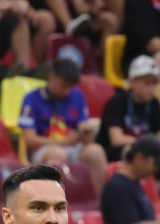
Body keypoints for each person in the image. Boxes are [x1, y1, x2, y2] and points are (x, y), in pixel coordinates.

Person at [19, 58, 108, 191]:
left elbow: (84, 135)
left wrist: (87, 135)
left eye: (71, 87)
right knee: (58, 155)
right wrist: (64, 142)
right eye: (64, 85)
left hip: (73, 146)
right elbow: (30, 140)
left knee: (96, 151)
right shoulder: (31, 98)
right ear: (52, 77)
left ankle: (99, 201)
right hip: (44, 149)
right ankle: (60, 201)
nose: (67, 91)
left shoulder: (77, 96)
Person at [98, 55, 160, 165]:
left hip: (148, 152)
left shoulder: (154, 103)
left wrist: (153, 146)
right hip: (119, 153)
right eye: (147, 83)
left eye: (154, 83)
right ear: (132, 82)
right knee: (133, 152)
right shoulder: (117, 101)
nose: (152, 88)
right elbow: (117, 139)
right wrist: (147, 145)